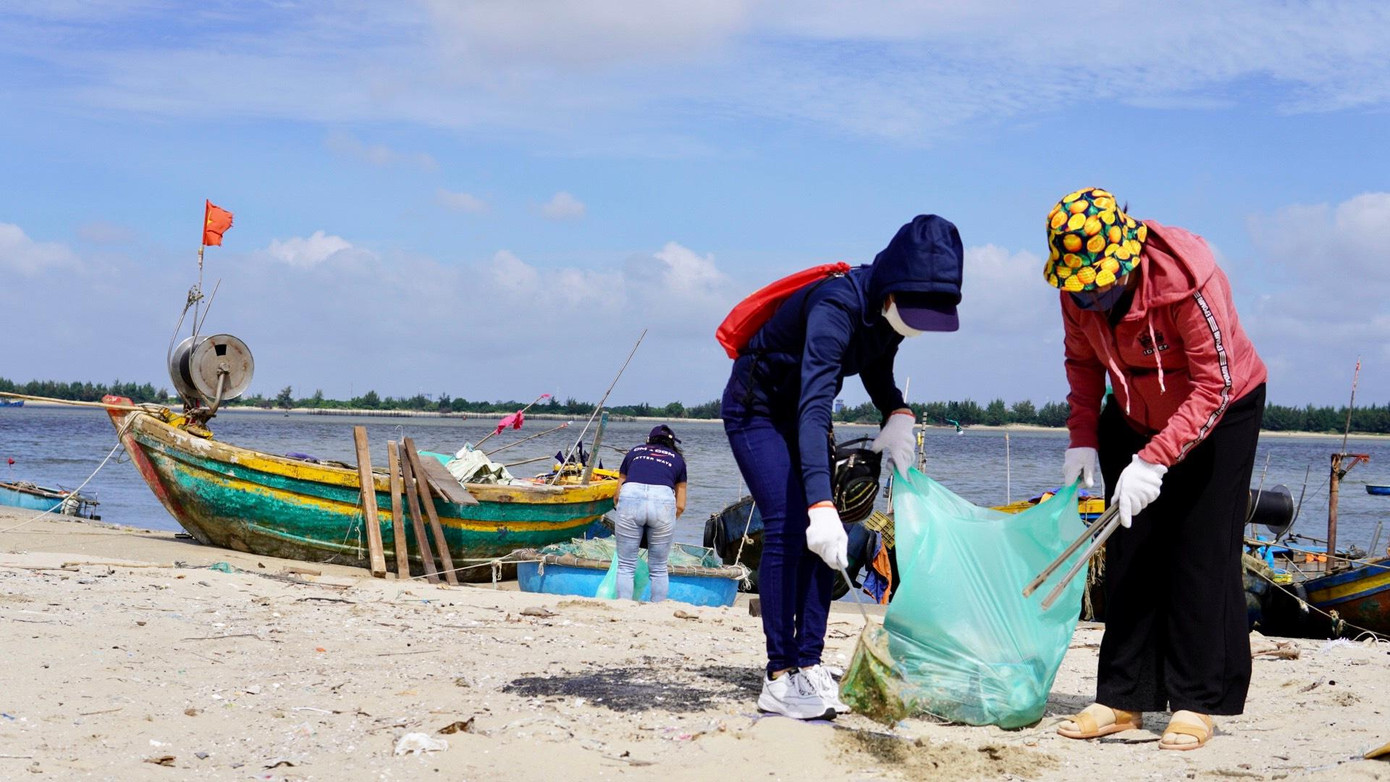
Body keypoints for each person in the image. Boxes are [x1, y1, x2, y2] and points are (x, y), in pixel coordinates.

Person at [1043, 188, 1267, 751]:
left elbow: (1214, 384)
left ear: (1125, 259)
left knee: (1200, 551)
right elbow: (1082, 363)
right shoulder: (1078, 292)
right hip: (1132, 410)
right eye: (1078, 286)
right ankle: (1123, 699)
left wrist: (1155, 460)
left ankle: (1196, 702)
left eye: (1098, 283)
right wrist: (1083, 441)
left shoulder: (1186, 281)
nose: (1089, 296)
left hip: (1222, 409)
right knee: (1130, 550)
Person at [722, 214, 964, 719]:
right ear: (893, 289)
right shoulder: (836, 306)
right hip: (759, 409)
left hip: (801, 414)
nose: (918, 327)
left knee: (823, 542)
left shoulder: (886, 316)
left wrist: (897, 411)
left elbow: (876, 365)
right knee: (793, 525)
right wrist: (821, 501)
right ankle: (779, 675)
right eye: (917, 313)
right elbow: (815, 406)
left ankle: (808, 660)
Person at [613, 425, 688, 602]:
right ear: (672, 444)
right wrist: (666, 522)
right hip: (663, 501)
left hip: (630, 496)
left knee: (625, 565)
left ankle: (623, 605)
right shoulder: (678, 460)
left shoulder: (633, 452)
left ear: (648, 440)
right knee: (659, 567)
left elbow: (617, 496)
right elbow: (681, 505)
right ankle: (657, 607)